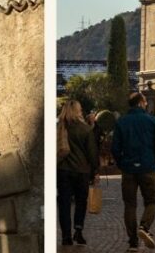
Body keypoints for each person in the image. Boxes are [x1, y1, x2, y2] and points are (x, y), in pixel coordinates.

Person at [112, 92, 155, 250]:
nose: (147, 104)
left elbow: (115, 148)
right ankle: (144, 227)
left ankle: (133, 241)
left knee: (130, 205)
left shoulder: (122, 122)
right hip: (147, 167)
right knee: (151, 201)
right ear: (141, 102)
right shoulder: (152, 121)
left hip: (128, 168)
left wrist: (122, 163)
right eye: (145, 102)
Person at [56, 98, 99, 246]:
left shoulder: (60, 127)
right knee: (81, 202)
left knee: (64, 203)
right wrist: (95, 171)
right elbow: (92, 153)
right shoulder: (85, 129)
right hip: (82, 171)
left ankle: (66, 236)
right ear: (77, 111)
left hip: (63, 170)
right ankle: (78, 231)